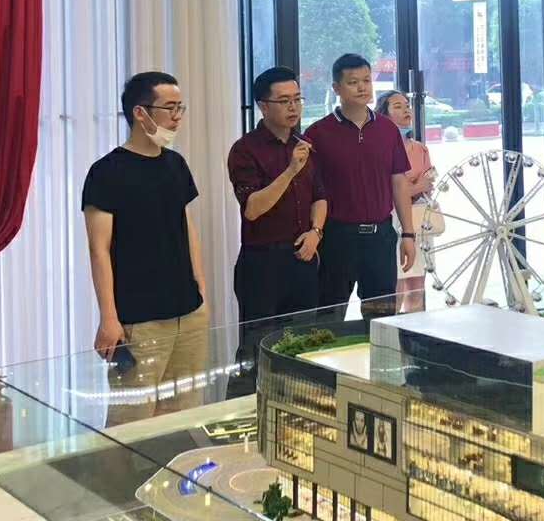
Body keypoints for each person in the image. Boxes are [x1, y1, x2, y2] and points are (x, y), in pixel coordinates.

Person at [83, 71, 208, 425]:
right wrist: (109, 317)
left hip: (188, 312)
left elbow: (186, 227)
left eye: (181, 107)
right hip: (139, 319)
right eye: (170, 108)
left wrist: (201, 288)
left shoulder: (175, 164)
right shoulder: (106, 172)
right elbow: (99, 249)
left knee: (184, 415)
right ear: (141, 113)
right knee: (133, 421)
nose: (177, 117)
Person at [226, 67, 326, 393]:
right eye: (284, 101)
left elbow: (320, 197)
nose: (293, 107)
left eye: (297, 99)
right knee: (256, 352)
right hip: (262, 264)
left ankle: (295, 409)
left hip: (302, 258)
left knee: (302, 348)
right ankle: (245, 413)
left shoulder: (305, 144)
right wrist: (290, 170)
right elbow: (253, 208)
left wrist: (316, 232)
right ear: (263, 106)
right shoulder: (245, 150)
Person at [306, 54, 415, 319]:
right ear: (337, 88)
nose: (362, 87)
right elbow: (311, 192)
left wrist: (408, 234)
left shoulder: (388, 130)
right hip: (336, 239)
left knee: (381, 318)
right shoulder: (318, 133)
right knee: (329, 317)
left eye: (366, 80)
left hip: (380, 237)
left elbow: (398, 182)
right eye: (353, 82)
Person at [376, 90, 441, 312]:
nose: (406, 110)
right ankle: (392, 325)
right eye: (397, 106)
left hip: (418, 218)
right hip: (391, 220)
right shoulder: (380, 148)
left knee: (417, 282)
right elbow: (384, 190)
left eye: (407, 105)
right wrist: (414, 187)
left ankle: (416, 326)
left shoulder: (420, 149)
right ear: (383, 114)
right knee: (397, 282)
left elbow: (428, 184)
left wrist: (414, 188)